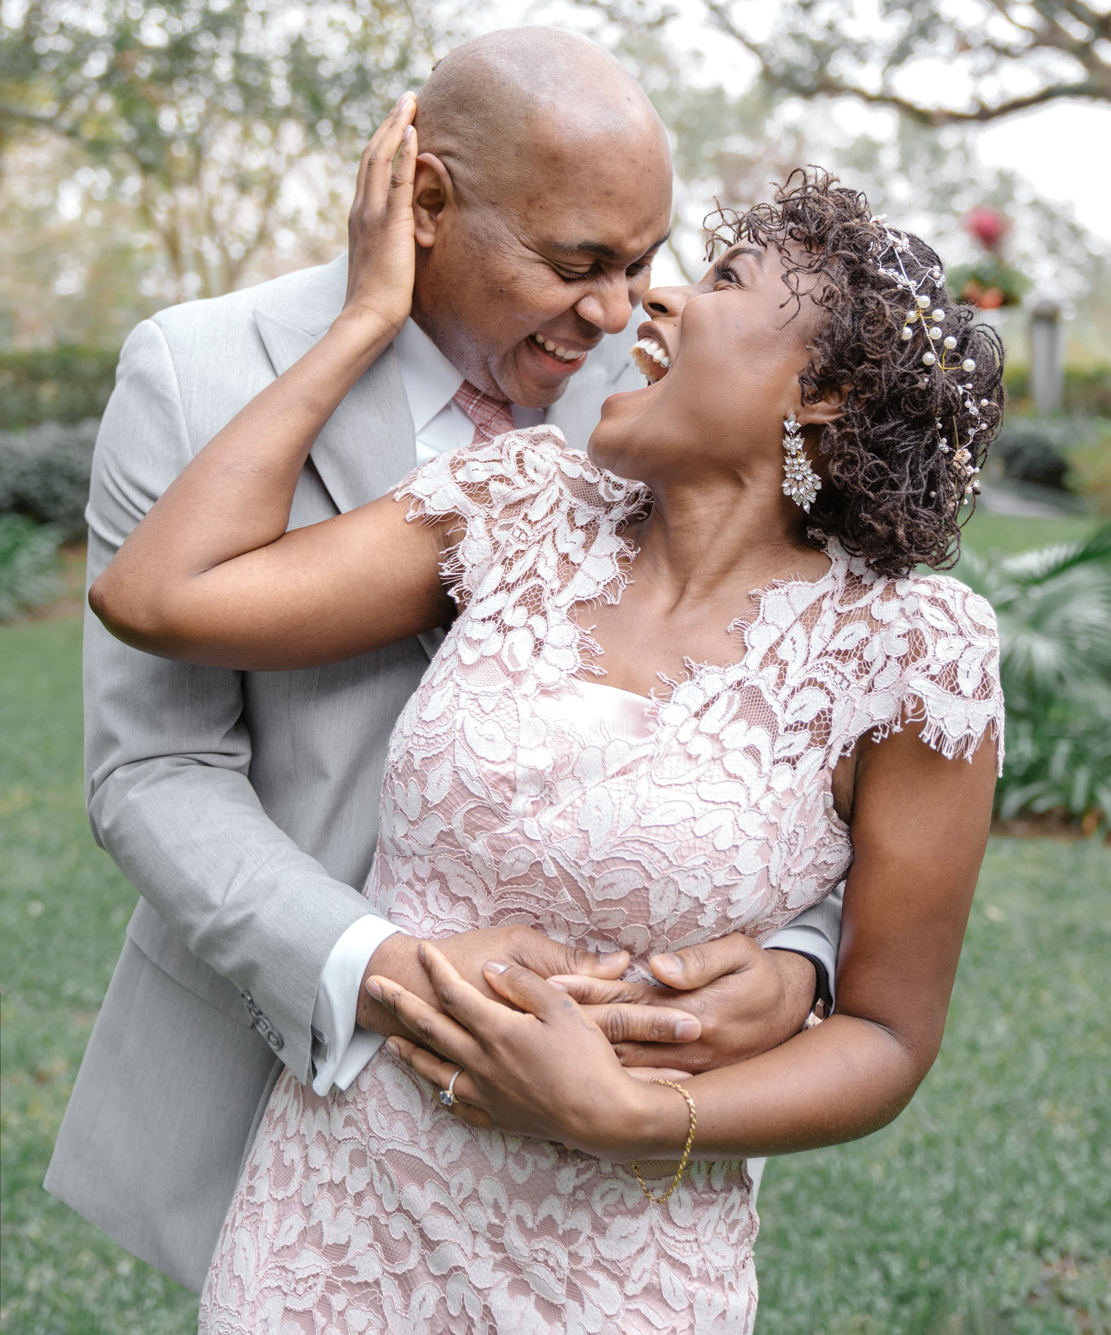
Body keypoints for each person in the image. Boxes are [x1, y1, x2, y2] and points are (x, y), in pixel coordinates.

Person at [89, 95, 1006, 1334]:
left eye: (712, 278)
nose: (644, 307)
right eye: (605, 269)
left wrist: (638, 1111)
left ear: (826, 393)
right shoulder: (521, 496)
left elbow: (892, 1031)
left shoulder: (917, 657)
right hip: (333, 1221)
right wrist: (367, 318)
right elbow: (156, 595)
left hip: (619, 1267)